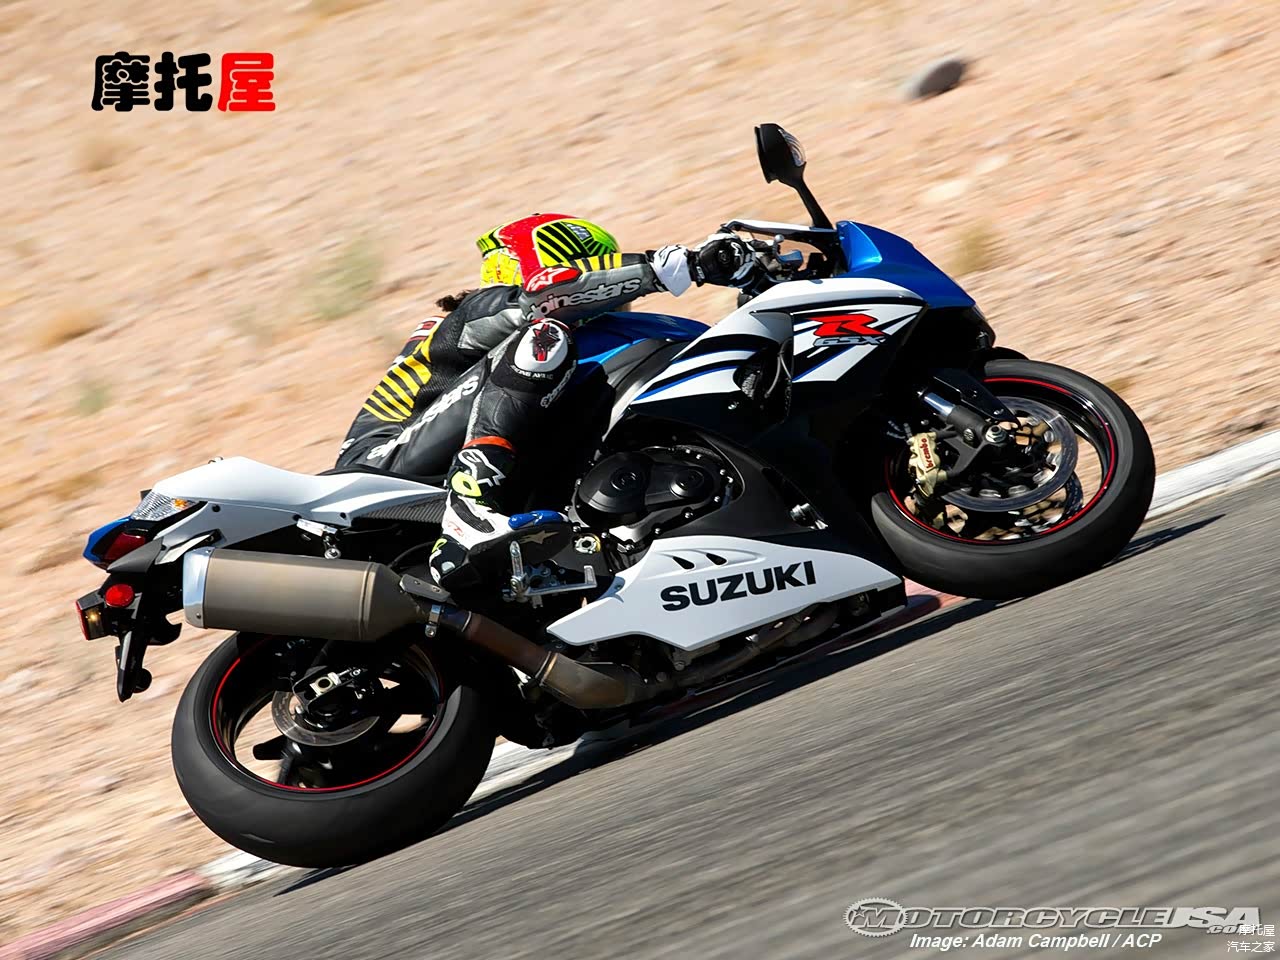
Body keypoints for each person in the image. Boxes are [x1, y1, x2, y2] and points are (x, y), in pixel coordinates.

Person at [335, 213, 755, 589]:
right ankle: (469, 507)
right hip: (380, 466)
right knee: (545, 337)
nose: (613, 292)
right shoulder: (476, 315)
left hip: (446, 467)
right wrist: (686, 265)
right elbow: (543, 297)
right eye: (596, 270)